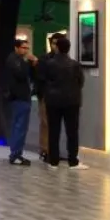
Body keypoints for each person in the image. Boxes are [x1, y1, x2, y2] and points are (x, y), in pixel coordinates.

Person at [42, 35, 86, 168]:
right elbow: (81, 82)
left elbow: (44, 80)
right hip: (72, 101)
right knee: (72, 132)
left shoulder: (49, 64)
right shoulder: (75, 65)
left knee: (53, 131)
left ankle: (53, 161)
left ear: (57, 48)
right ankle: (73, 161)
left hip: (53, 101)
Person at [3, 36, 37, 166]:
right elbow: (21, 75)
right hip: (18, 98)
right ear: (16, 48)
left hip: (22, 97)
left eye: (27, 48)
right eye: (23, 48)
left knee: (19, 126)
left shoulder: (19, 60)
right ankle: (16, 154)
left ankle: (16, 153)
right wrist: (28, 63)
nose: (26, 50)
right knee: (19, 127)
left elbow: (30, 76)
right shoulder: (14, 60)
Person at [34, 32, 65, 162]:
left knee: (55, 125)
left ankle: (54, 151)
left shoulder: (64, 60)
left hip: (59, 97)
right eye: (53, 43)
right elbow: (40, 78)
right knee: (46, 124)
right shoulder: (44, 59)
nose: (55, 46)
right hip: (46, 96)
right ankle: (45, 150)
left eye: (58, 43)